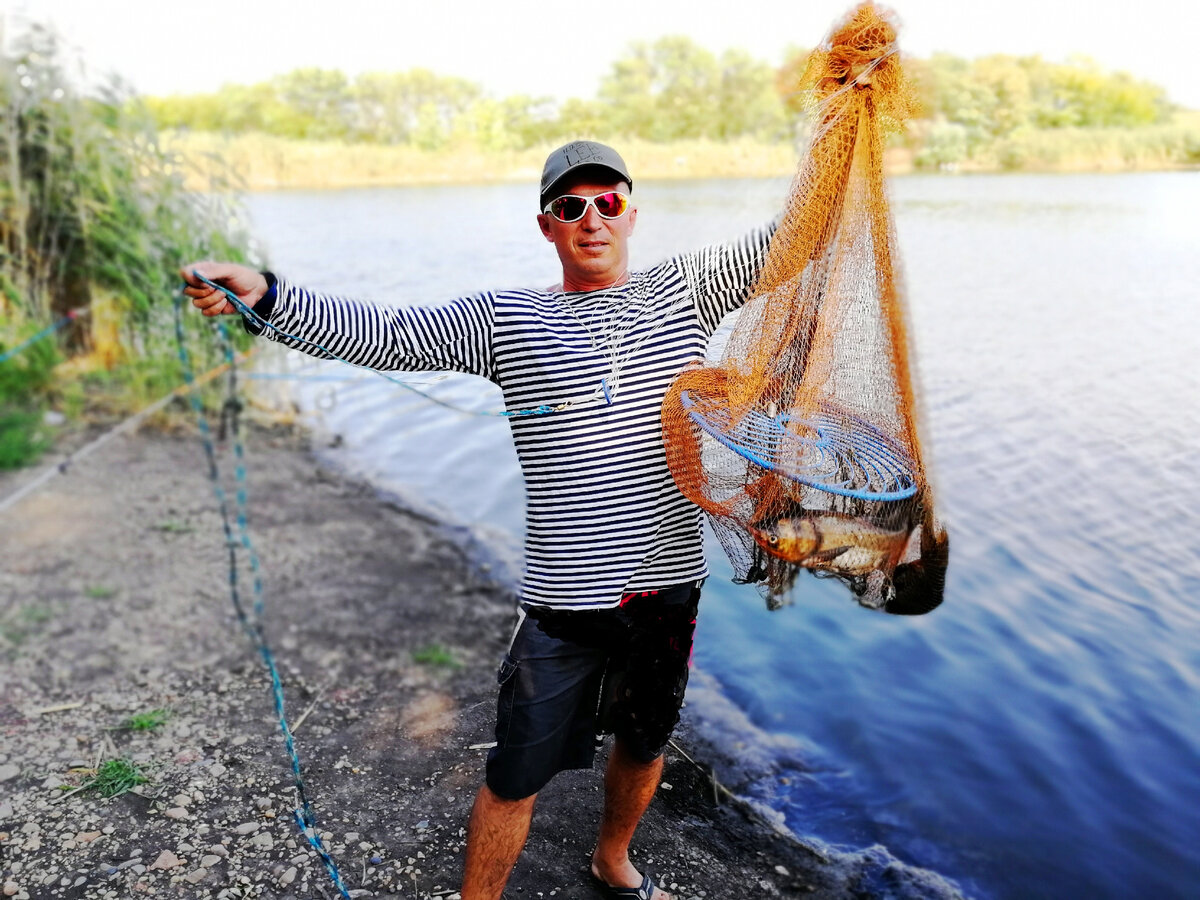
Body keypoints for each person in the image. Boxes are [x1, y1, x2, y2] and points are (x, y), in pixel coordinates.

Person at [182, 140, 774, 900]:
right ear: (546, 226)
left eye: (609, 202)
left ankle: (612, 861)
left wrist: (847, 122)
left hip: (668, 589)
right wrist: (265, 294)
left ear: (631, 213)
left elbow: (790, 242)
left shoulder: (689, 289)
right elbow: (383, 333)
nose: (591, 219)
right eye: (570, 207)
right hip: (564, 605)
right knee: (515, 771)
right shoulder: (505, 318)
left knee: (646, 738)